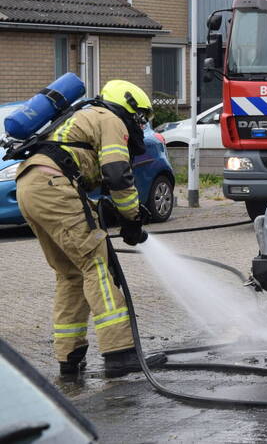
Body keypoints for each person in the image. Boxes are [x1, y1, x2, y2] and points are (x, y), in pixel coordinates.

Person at [16, 80, 167, 378]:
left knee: (71, 274)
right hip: (54, 187)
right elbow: (117, 174)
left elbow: (89, 170)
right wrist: (132, 218)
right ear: (126, 108)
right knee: (96, 265)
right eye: (139, 117)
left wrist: (115, 211)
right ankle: (119, 353)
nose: (139, 125)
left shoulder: (83, 116)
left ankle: (69, 357)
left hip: (30, 186)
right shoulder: (110, 120)